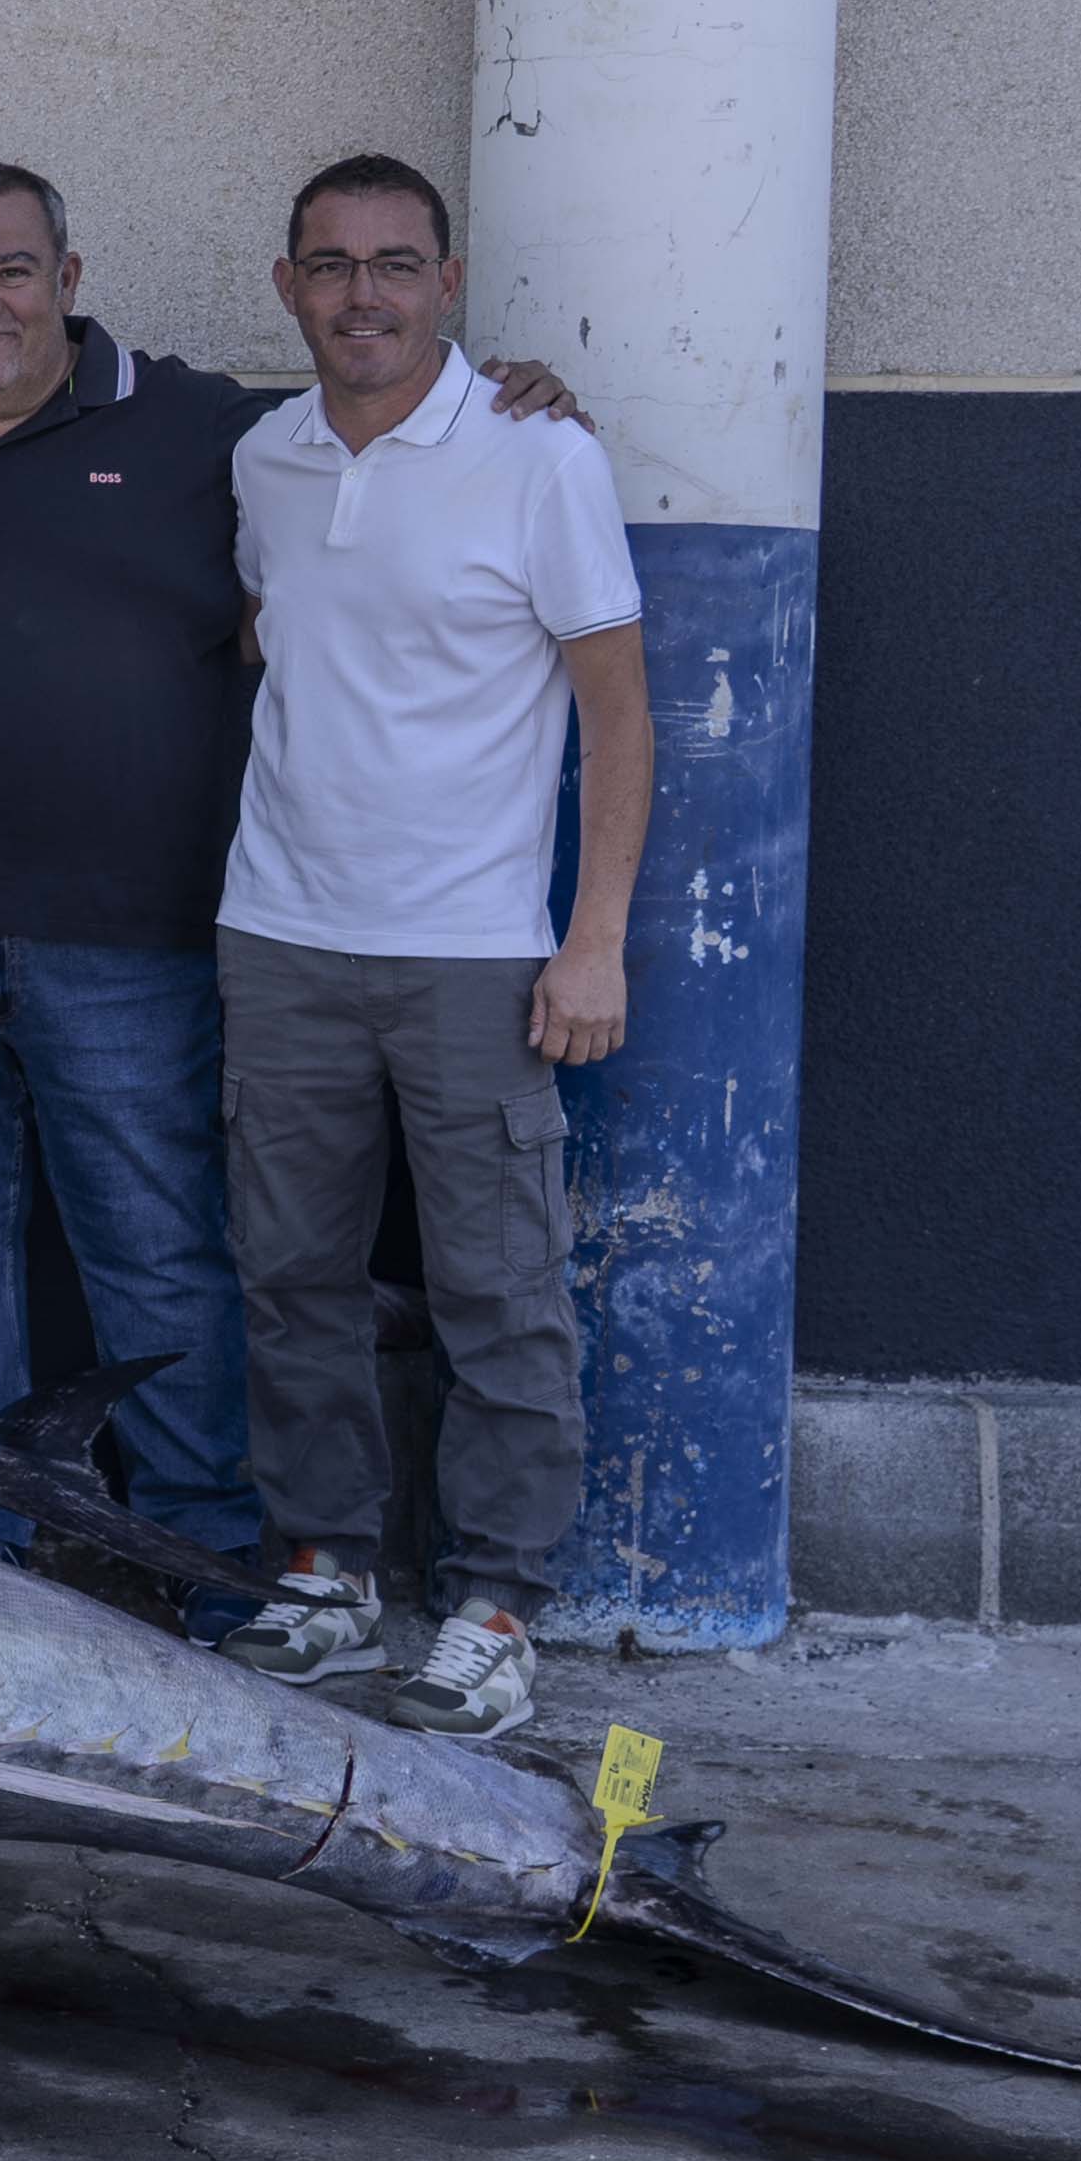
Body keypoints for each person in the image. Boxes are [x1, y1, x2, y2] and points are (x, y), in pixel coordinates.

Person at [0, 162, 583, 1574]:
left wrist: (517, 394)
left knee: (157, 1249)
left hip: (126, 936)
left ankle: (198, 1546)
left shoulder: (199, 430)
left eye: (14, 269)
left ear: (68, 277)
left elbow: (371, 412)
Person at [207, 153, 648, 1740]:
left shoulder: (537, 456)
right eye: (328, 264)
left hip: (471, 948)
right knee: (290, 1277)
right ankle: (323, 1570)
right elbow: (274, 639)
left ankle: (495, 1605)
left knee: (496, 1290)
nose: (361, 294)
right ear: (287, 286)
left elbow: (618, 716)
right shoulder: (261, 457)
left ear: (445, 282)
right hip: (278, 929)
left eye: (394, 263)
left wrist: (591, 940)